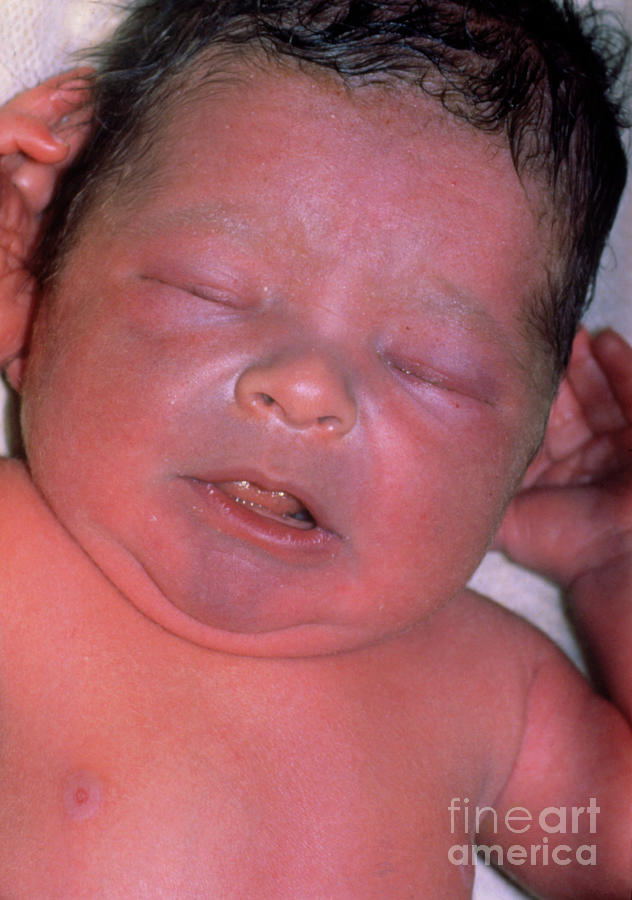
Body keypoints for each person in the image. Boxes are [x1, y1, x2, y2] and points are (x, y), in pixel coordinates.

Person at [0, 0, 630, 895]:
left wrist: (616, 560)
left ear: (528, 444)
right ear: (28, 271)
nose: (306, 389)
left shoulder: (490, 690)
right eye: (209, 289)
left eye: (431, 369)